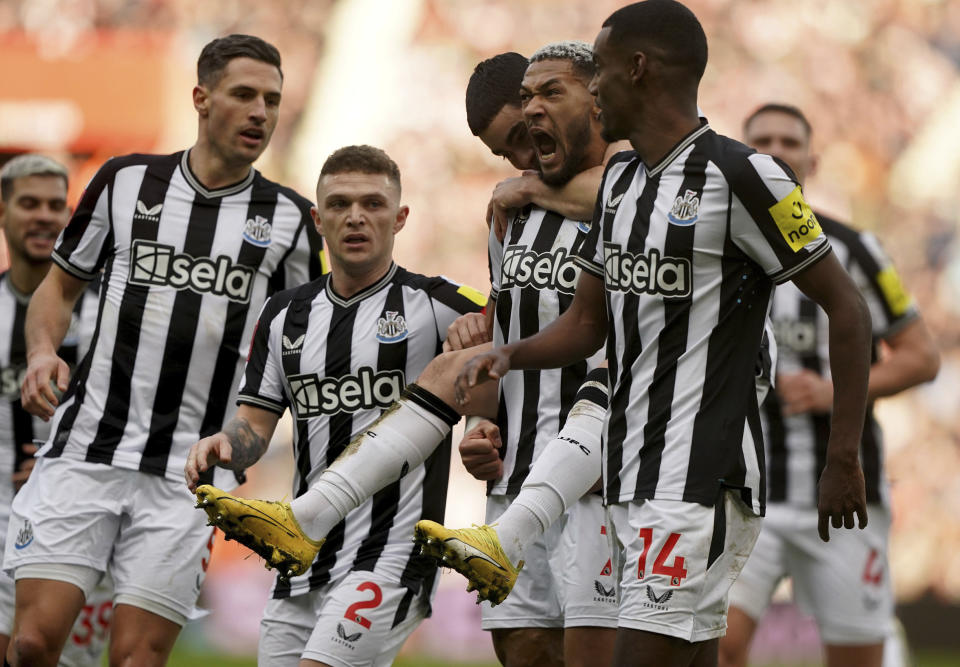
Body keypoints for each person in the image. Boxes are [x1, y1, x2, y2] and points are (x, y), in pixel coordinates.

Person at [454, 2, 873, 666]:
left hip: (701, 479)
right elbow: (586, 323)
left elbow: (848, 309)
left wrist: (842, 456)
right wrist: (506, 355)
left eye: (599, 74)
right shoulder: (620, 184)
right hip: (629, 474)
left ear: (638, 69)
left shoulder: (746, 175)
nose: (593, 91)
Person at [196, 42, 621, 667]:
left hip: (594, 477)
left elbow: (620, 210)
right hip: (514, 481)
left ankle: (308, 515)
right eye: (505, 149)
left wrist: (528, 186)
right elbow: (495, 339)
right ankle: (306, 519)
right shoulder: (510, 217)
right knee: (526, 652)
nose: (522, 156)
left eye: (525, 137)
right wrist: (485, 425)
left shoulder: (623, 190)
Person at [9, 35, 324, 667]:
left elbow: (297, 355)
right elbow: (60, 285)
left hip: (188, 477)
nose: (261, 112)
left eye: (272, 99)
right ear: (201, 99)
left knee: (137, 660)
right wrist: (43, 351)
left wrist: (247, 439)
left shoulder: (291, 221)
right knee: (32, 644)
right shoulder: (125, 181)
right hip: (86, 451)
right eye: (244, 95)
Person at [187, 144, 484, 667]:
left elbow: (523, 341)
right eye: (341, 204)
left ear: (401, 218)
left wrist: (484, 424)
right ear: (317, 219)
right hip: (301, 556)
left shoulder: (442, 306)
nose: (356, 216)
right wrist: (225, 444)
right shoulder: (284, 315)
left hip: (389, 553)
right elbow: (254, 426)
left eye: (373, 203)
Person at [717, 104, 939, 667]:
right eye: (761, 140)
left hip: (842, 497)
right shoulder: (716, 248)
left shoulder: (855, 248)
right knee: (718, 647)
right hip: (746, 492)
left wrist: (836, 393)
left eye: (789, 141)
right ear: (743, 158)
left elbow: (921, 357)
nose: (776, 150)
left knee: (855, 656)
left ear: (812, 160)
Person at [0, 155, 113, 667]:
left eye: (55, 205)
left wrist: (55, 466)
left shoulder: (107, 311)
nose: (45, 216)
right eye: (29, 203)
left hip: (81, 510)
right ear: (3, 212)